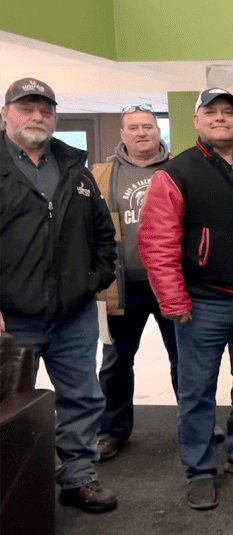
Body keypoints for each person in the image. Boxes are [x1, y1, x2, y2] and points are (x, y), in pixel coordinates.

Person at [139, 88, 233, 510]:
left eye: (229, 113)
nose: (221, 118)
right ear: (197, 120)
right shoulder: (176, 173)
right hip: (203, 303)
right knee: (197, 391)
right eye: (211, 112)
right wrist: (173, 299)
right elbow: (157, 241)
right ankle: (199, 470)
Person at [0, 77, 118, 512]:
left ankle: (78, 478)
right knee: (8, 404)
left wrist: (94, 280)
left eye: (45, 110)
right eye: (26, 108)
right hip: (11, 318)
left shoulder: (76, 170)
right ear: (6, 114)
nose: (37, 117)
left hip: (73, 314)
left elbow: (104, 234)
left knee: (83, 398)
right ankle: (13, 482)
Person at [92, 104, 178, 461]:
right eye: (134, 128)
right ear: (122, 135)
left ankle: (197, 421)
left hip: (171, 283)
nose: (142, 132)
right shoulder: (101, 174)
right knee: (115, 362)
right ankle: (112, 430)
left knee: (186, 359)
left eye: (148, 126)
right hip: (120, 286)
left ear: (158, 132)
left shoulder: (179, 169)